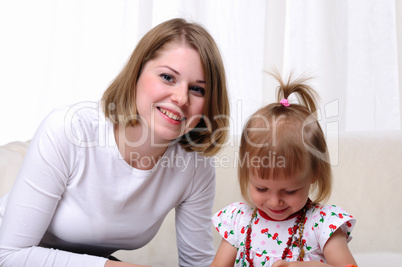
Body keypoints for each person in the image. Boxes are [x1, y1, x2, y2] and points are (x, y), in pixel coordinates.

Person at [0, 18, 229, 267]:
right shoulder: (71, 129)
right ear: (136, 73)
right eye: (167, 77)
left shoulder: (196, 167)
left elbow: (198, 264)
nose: (181, 97)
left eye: (197, 89)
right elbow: (10, 254)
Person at [210, 72, 357, 267]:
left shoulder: (322, 224)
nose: (275, 201)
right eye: (261, 189)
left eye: (289, 191)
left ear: (314, 174)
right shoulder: (239, 221)